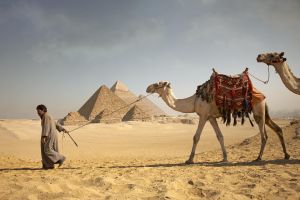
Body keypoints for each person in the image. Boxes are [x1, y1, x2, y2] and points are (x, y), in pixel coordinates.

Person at [36, 104, 68, 169]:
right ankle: (48, 165)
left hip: (49, 134)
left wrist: (44, 136)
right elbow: (55, 123)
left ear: (43, 110)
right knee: (45, 150)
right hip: (52, 134)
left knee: (47, 149)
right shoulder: (48, 115)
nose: (38, 113)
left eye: (39, 112)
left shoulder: (46, 116)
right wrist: (62, 129)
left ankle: (61, 158)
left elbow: (46, 126)